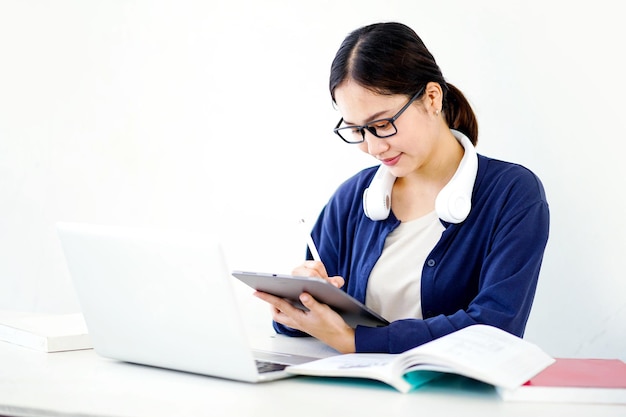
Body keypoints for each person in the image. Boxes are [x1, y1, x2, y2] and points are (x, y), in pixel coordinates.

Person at [254, 22, 549, 354]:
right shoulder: (352, 199)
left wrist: (352, 341)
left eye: (382, 125)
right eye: (357, 130)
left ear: (432, 98)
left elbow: (495, 328)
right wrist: (298, 304)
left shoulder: (512, 194)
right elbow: (310, 328)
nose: (373, 147)